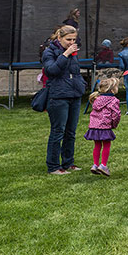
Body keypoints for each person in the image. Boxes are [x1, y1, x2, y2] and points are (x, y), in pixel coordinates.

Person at [42, 25, 87, 175]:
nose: (71, 42)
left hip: (74, 95)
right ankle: (53, 166)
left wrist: (81, 84)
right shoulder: (49, 52)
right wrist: (65, 54)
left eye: (74, 39)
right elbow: (52, 71)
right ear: (59, 38)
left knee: (71, 132)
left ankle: (68, 162)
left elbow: (75, 72)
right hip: (58, 96)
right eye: (68, 39)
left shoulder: (74, 53)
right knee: (58, 131)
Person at [84, 77, 121, 176]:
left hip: (94, 126)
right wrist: (114, 125)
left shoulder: (96, 99)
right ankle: (103, 165)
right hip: (104, 126)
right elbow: (116, 115)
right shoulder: (113, 100)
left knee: (97, 145)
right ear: (112, 90)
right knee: (106, 145)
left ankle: (95, 165)